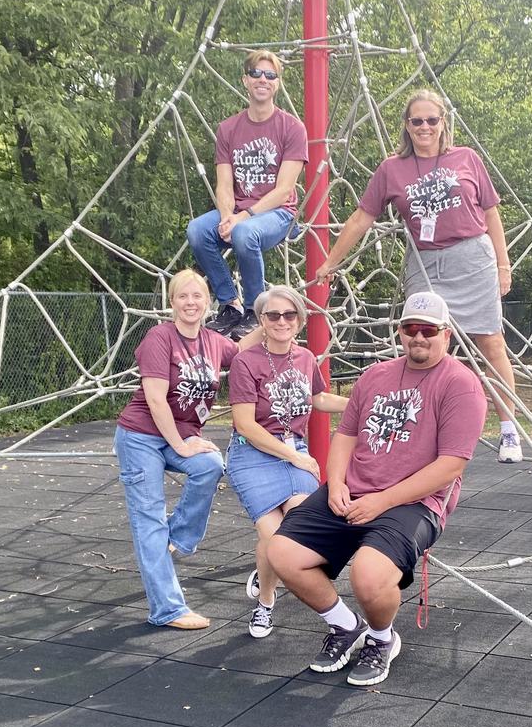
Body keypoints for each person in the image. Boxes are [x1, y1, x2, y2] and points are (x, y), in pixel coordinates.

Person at [267, 291, 487, 686]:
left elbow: (451, 465)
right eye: (410, 328)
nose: (418, 337)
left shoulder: (461, 385)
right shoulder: (375, 376)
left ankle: (382, 638)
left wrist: (380, 501)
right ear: (399, 331)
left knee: (368, 577)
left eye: (428, 330)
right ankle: (345, 625)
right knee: (282, 552)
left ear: (446, 334)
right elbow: (346, 435)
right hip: (354, 488)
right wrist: (335, 483)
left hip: (413, 502)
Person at [315, 88, 522, 464]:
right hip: (425, 263)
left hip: (472, 259)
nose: (425, 127)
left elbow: (491, 212)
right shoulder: (392, 169)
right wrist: (331, 261)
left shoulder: (466, 158)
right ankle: (421, 432)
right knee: (421, 344)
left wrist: (503, 265)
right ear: (407, 126)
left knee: (490, 342)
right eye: (417, 121)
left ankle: (509, 429)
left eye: (432, 120)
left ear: (443, 123)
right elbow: (362, 218)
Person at [114, 268, 261, 630]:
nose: (190, 302)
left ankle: (179, 535)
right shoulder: (160, 337)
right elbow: (155, 399)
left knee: (210, 465)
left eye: (197, 296)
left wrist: (273, 317)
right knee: (149, 520)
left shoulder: (212, 341)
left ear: (208, 302)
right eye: (183, 296)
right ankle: (167, 609)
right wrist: (179, 444)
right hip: (141, 436)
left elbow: (242, 350)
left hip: (178, 435)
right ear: (172, 302)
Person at [227, 285, 349, 639]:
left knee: (298, 531)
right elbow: (245, 425)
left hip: (293, 451)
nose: (282, 321)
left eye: (289, 314)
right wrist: (295, 456)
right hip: (254, 455)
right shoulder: (245, 362)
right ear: (262, 321)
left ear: (300, 319)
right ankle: (266, 602)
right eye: (273, 315)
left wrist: (359, 403)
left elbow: (319, 398)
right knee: (274, 537)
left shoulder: (306, 357)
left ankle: (270, 571)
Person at [187, 50, 308, 341]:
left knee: (244, 233)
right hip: (239, 211)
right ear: (245, 80)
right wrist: (226, 217)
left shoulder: (292, 128)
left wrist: (242, 218)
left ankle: (256, 309)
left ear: (277, 83)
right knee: (197, 231)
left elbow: (284, 190)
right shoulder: (228, 129)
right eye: (256, 74)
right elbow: (224, 185)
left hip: (278, 213)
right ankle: (230, 303)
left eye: (270, 75)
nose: (262, 80)